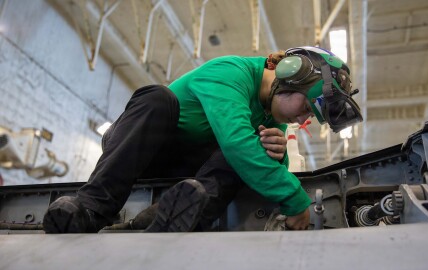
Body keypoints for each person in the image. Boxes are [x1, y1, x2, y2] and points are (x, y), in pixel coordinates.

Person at [42, 46, 362, 233]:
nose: (303, 119)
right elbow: (237, 145)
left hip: (187, 179)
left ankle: (167, 218)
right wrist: (295, 199)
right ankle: (90, 209)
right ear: (287, 76)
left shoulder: (269, 116)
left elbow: (263, 165)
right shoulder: (230, 73)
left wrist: (278, 156)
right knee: (158, 97)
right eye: (306, 107)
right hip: (142, 148)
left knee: (256, 148)